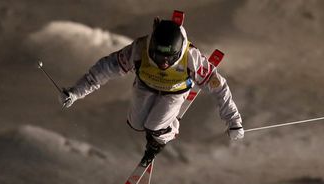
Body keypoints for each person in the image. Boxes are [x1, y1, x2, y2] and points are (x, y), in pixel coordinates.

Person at [59, 12, 244, 167]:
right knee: (135, 124)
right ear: (151, 48)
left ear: (179, 53)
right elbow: (103, 70)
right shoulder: (139, 50)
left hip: (174, 93)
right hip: (145, 87)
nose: (164, 63)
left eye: (170, 58)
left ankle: (165, 133)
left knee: (155, 126)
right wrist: (75, 92)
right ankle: (159, 130)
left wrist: (234, 121)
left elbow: (220, 89)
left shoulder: (192, 58)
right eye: (158, 56)